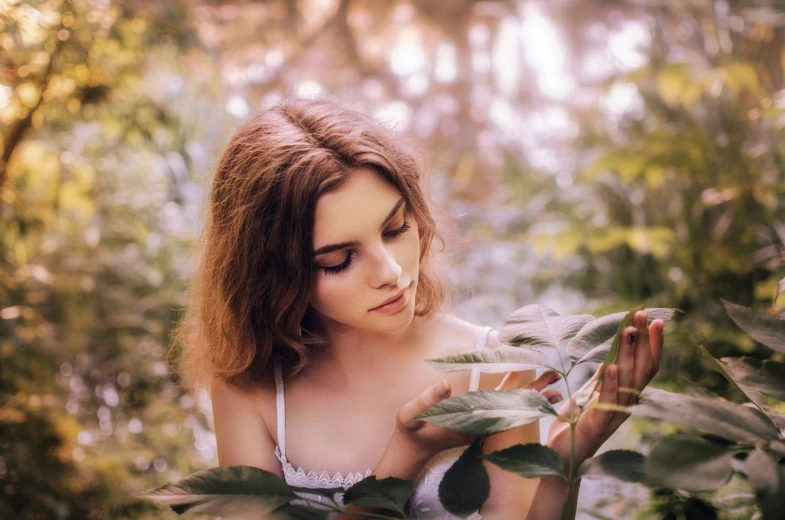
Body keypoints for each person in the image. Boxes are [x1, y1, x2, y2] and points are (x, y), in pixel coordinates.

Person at [173, 98, 665, 519]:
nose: (390, 270)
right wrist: (406, 455)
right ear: (272, 276)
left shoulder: (488, 369)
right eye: (341, 260)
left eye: (395, 229)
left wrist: (564, 458)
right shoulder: (250, 386)